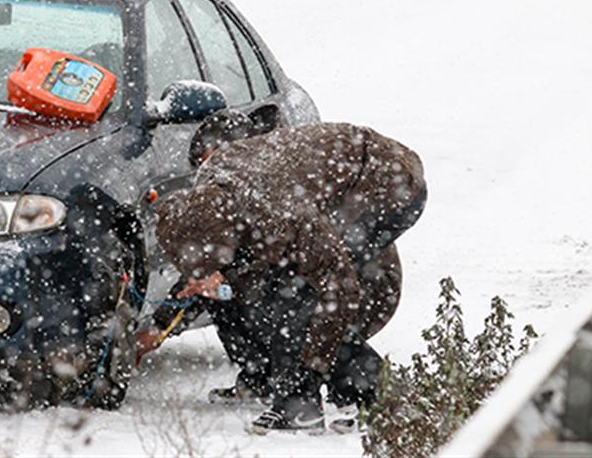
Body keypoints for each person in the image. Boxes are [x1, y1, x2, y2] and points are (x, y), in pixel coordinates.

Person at [138, 112, 426, 434]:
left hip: (389, 184)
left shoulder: (281, 214)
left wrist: (314, 367)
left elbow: (339, 289)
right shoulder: (213, 195)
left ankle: (368, 401)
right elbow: (225, 262)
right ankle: (286, 388)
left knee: (298, 295)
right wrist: (164, 322)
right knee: (264, 290)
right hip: (316, 198)